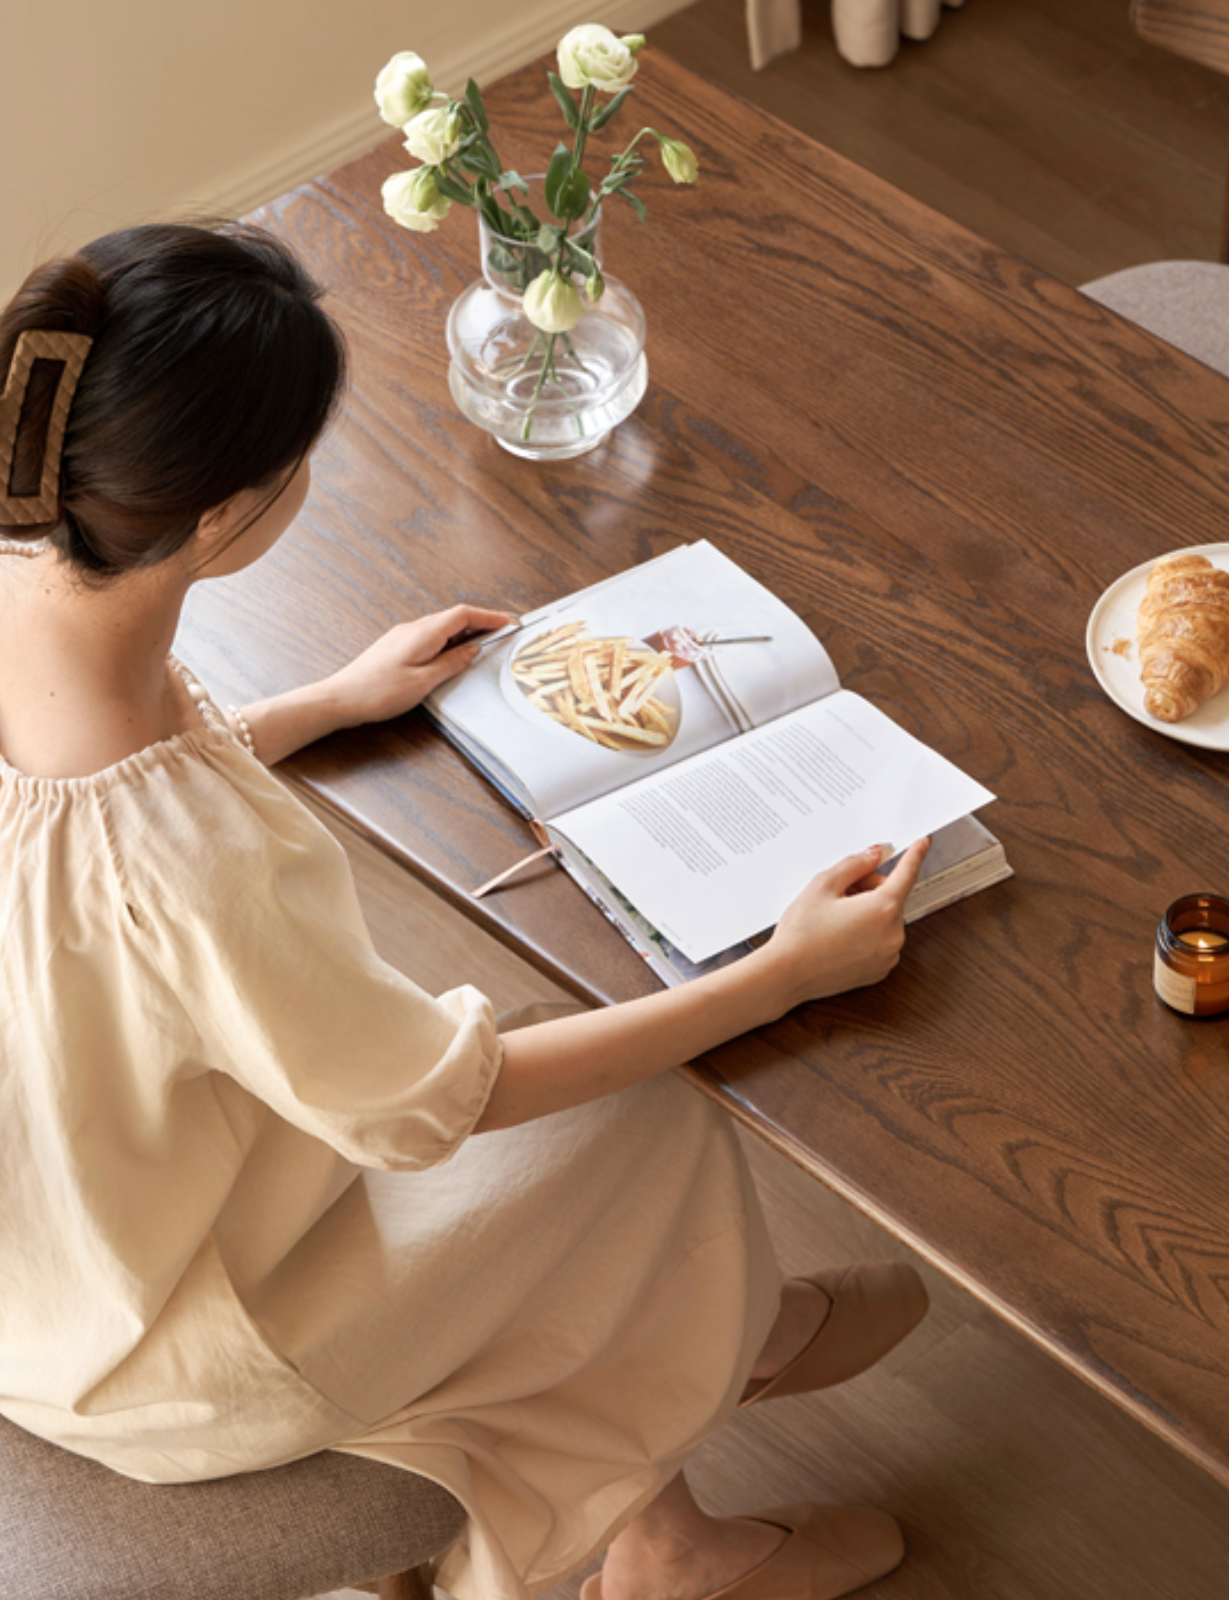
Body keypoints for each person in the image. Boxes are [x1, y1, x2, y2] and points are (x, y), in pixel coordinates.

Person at [0, 222, 935, 1600]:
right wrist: (778, 977)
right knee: (644, 1104)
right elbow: (431, 1105)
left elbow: (72, 853)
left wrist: (321, 703)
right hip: (184, 1344)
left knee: (580, 1089)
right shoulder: (188, 862)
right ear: (218, 517)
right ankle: (695, 1475)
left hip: (51, 1273)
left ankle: (719, 1367)